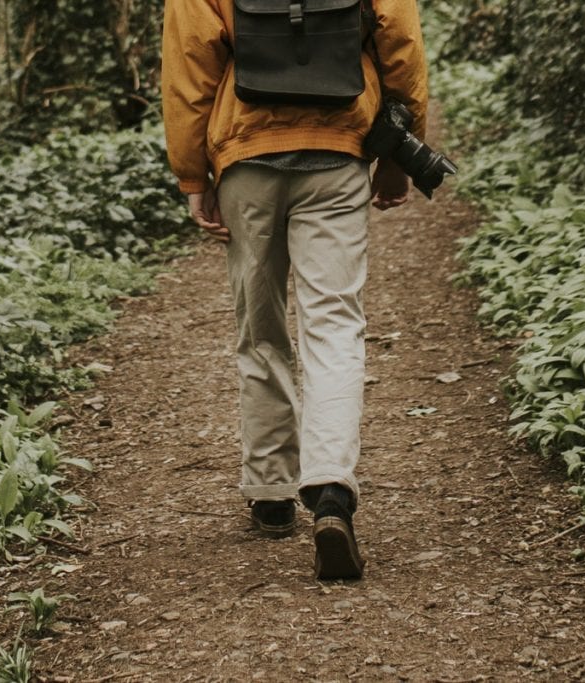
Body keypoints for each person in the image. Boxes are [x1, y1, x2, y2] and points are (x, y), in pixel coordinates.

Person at [161, 0, 428, 580]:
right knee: (333, 324)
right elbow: (401, 47)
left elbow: (190, 66)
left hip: (245, 158)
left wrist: (191, 175)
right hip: (339, 152)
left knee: (260, 328)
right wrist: (399, 155)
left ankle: (272, 492)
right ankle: (330, 489)